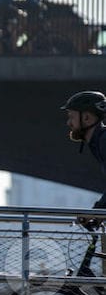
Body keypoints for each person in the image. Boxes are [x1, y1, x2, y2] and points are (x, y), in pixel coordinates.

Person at [62, 91, 106, 225]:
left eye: (71, 117)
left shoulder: (104, 140)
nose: (69, 123)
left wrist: (96, 212)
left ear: (86, 118)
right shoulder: (98, 141)